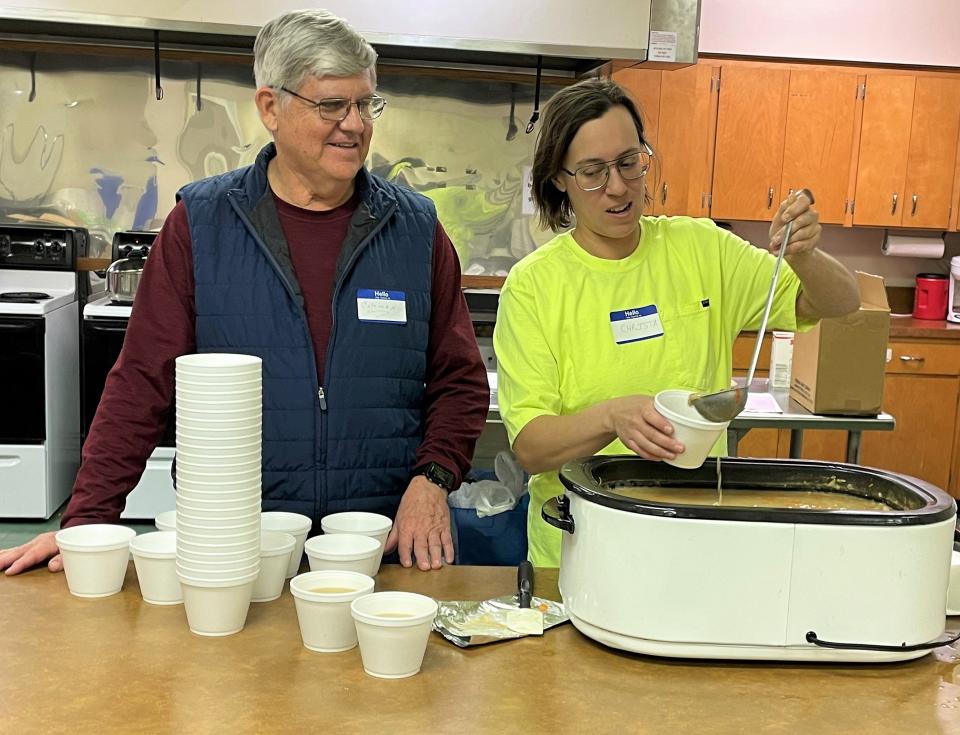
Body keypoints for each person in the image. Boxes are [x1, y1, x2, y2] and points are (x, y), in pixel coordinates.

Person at [0, 9, 489, 576]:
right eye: (332, 105)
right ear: (270, 108)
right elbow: (141, 381)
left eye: (366, 103)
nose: (355, 124)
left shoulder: (416, 229)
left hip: (378, 544)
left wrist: (433, 481)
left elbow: (459, 380)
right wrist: (87, 523)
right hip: (236, 544)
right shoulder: (202, 223)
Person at [493, 79, 860, 567]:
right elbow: (532, 448)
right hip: (582, 545)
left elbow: (839, 302)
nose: (619, 187)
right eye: (592, 173)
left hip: (698, 534)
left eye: (629, 162)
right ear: (559, 178)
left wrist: (806, 255)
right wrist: (611, 416)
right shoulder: (535, 285)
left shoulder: (701, 249)